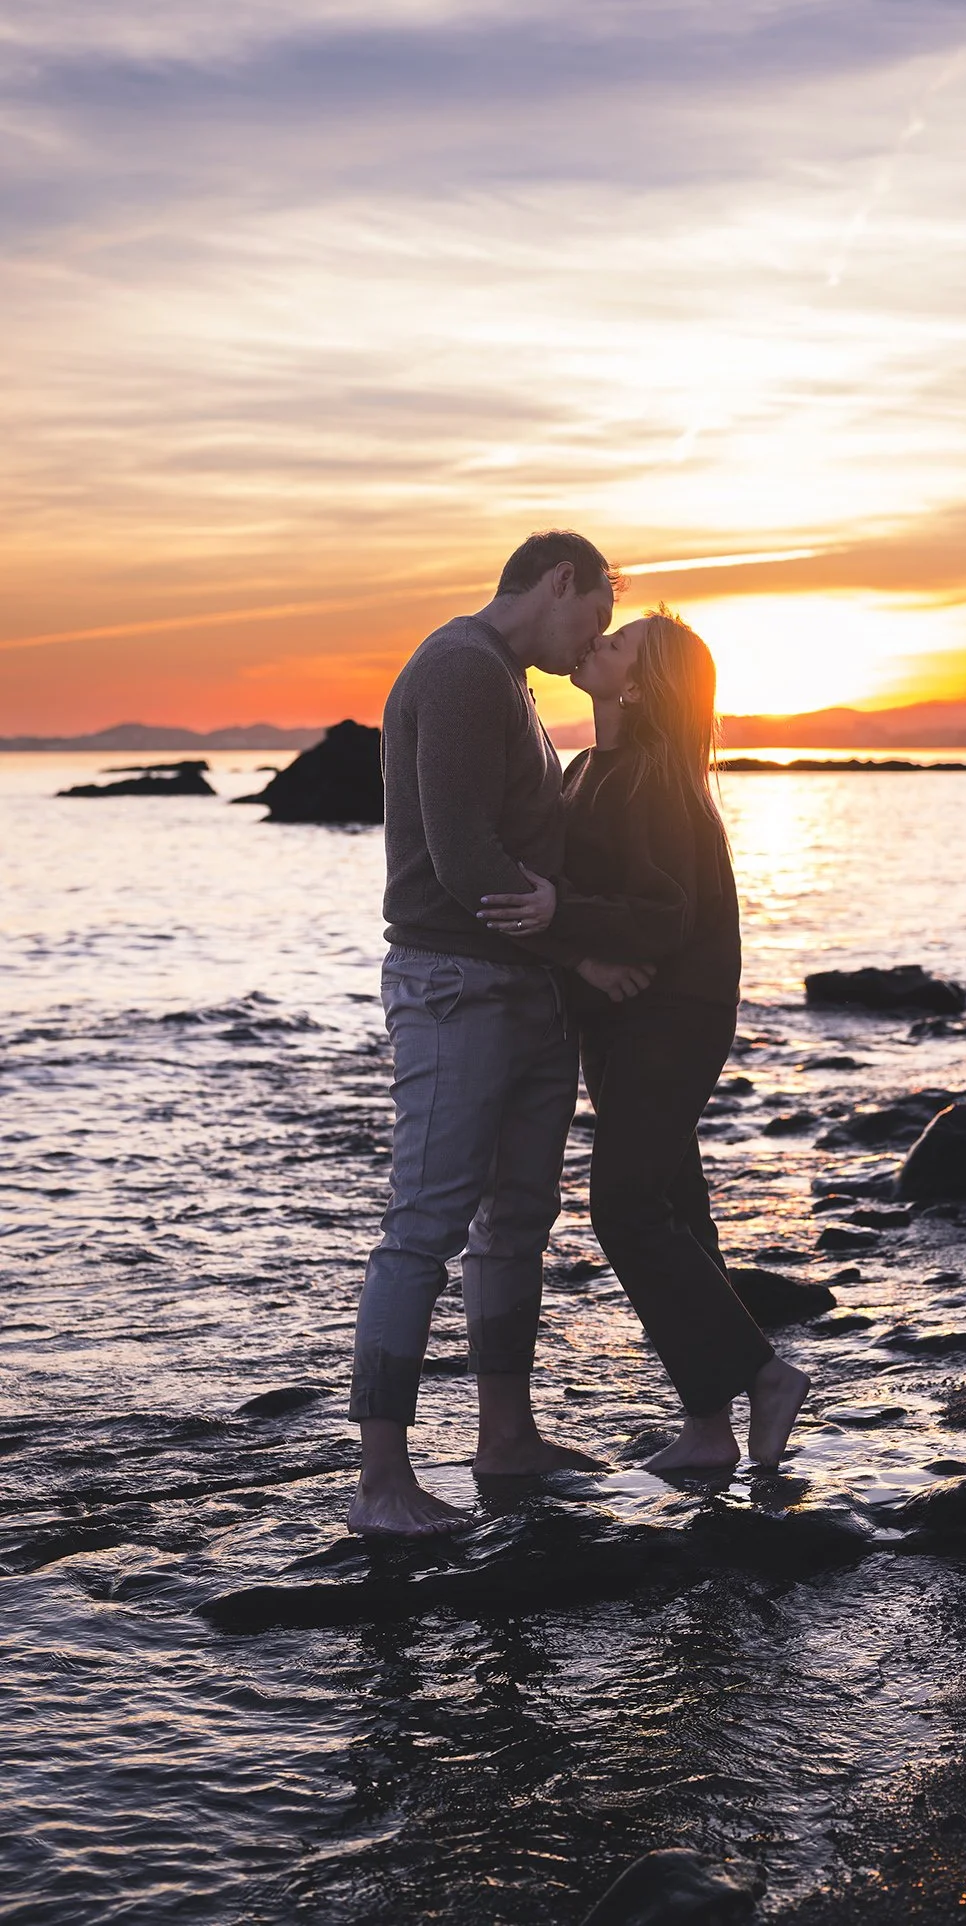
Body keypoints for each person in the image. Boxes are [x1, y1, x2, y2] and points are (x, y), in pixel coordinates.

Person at [348, 531, 651, 1537]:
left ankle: (504, 1436)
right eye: (595, 619)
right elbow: (462, 850)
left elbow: (529, 841)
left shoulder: (509, 681)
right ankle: (381, 1482)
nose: (590, 644)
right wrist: (580, 947)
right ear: (558, 581)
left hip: (522, 989)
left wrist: (562, 950)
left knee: (515, 1220)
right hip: (456, 987)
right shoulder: (460, 668)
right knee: (423, 1226)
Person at [480, 605, 811, 1470]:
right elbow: (584, 899)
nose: (597, 643)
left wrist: (569, 919)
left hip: (674, 1015)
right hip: (625, 1019)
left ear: (639, 683)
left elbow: (666, 916)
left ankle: (764, 1376)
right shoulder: (595, 767)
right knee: (675, 1208)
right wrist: (579, 943)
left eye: (617, 642)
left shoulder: (654, 778)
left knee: (624, 1207)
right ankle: (707, 1429)